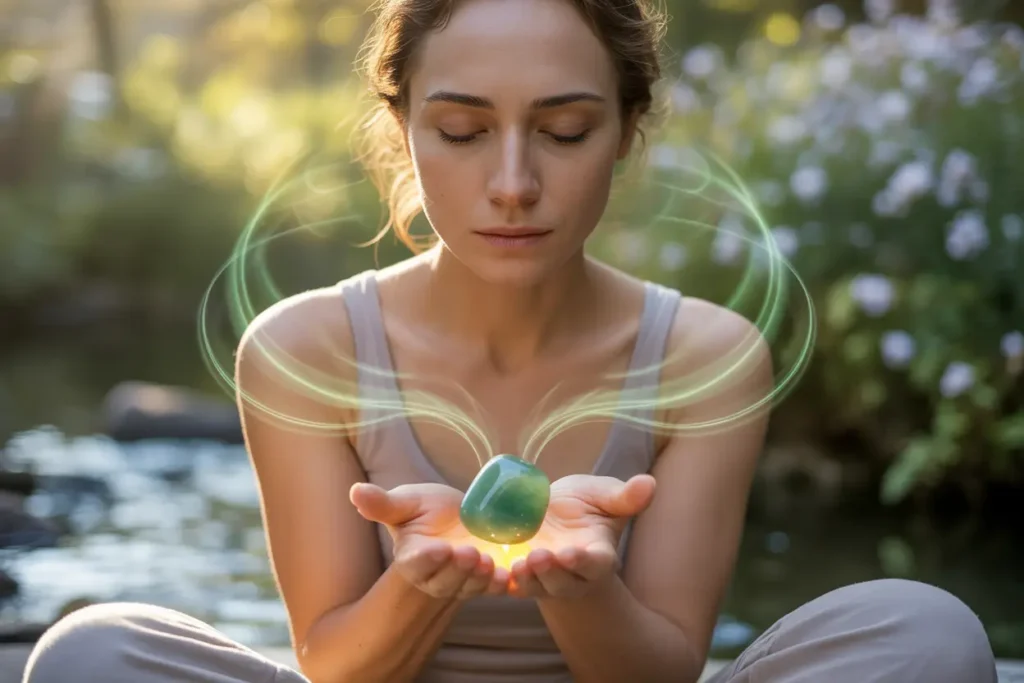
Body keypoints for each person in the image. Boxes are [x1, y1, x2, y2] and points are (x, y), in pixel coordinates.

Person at [22, 0, 999, 681]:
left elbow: (662, 667)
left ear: (625, 130)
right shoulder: (302, 347)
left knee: (928, 630)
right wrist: (416, 582)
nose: (513, 182)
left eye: (565, 131)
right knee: (88, 653)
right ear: (401, 127)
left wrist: (577, 584)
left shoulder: (707, 354)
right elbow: (330, 663)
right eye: (461, 130)